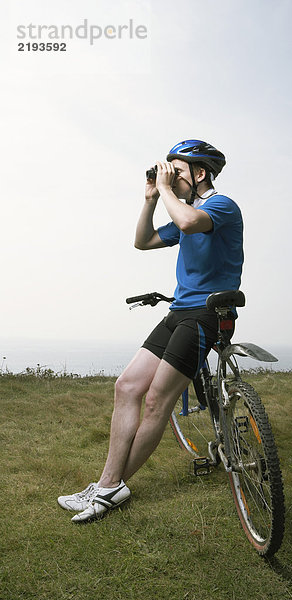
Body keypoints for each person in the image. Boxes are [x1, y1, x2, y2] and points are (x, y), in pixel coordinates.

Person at [57, 139, 244, 522]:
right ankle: (108, 484)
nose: (169, 178)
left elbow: (190, 221)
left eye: (176, 172)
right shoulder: (182, 211)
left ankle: (109, 488)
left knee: (158, 400)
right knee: (126, 387)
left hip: (206, 314)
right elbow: (141, 242)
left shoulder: (221, 206)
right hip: (178, 311)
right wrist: (150, 198)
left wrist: (164, 190)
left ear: (200, 174)